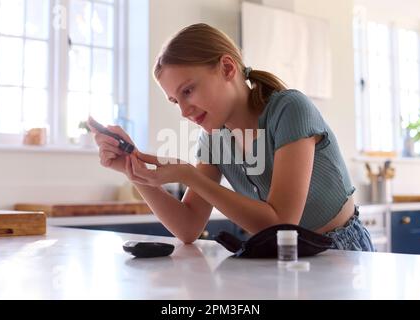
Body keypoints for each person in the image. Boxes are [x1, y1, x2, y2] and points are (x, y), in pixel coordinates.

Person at [90, 23, 374, 251]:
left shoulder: (289, 109)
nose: (184, 111)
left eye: (188, 90)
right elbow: (188, 228)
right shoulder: (214, 139)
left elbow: (283, 223)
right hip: (284, 259)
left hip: (339, 252)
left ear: (227, 68)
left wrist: (189, 175)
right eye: (176, 101)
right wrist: (134, 172)